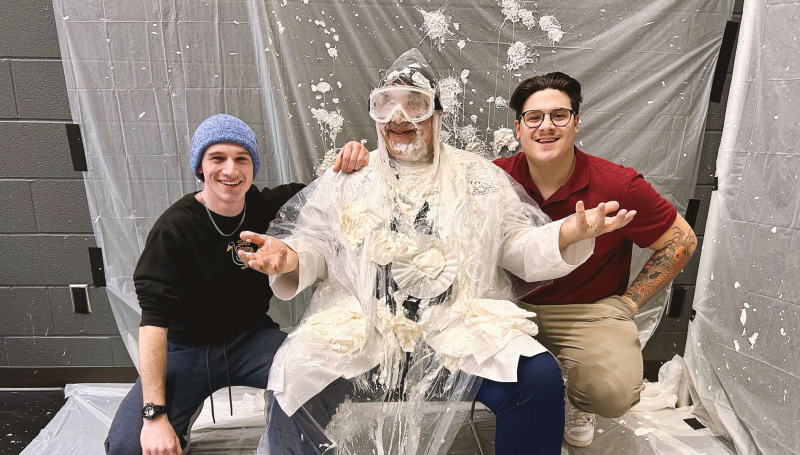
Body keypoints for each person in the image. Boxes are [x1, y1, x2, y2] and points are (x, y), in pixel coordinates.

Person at [240, 49, 635, 455]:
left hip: (458, 327)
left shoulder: (479, 176)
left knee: (538, 379)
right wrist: (291, 258)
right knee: (292, 374)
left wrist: (564, 234)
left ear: (438, 115)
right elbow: (317, 243)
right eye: (387, 105)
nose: (399, 117)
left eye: (414, 104)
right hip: (363, 330)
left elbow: (514, 245)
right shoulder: (349, 179)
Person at [105, 113, 368, 455]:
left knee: (324, 372)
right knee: (127, 448)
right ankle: (183, 408)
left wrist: (354, 156)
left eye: (241, 159)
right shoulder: (173, 230)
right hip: (185, 352)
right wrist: (155, 416)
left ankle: (287, 445)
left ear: (252, 167)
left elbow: (331, 187)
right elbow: (153, 324)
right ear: (200, 167)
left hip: (250, 341)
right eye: (217, 158)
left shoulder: (270, 207)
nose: (230, 170)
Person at [492, 72, 698, 447]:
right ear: (519, 128)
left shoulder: (617, 185)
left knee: (613, 393)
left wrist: (628, 303)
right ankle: (544, 390)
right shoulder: (493, 178)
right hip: (509, 308)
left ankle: (577, 397)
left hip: (585, 311)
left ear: (576, 122)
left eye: (559, 115)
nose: (546, 127)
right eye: (534, 118)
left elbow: (681, 240)